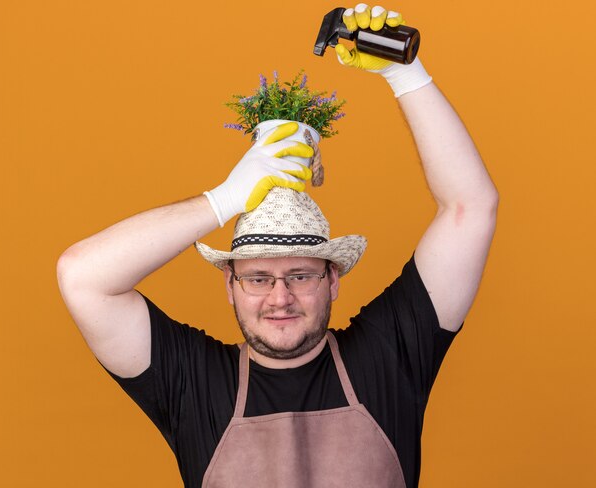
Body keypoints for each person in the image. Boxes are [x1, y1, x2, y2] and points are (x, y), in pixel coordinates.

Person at [57, 4, 498, 488]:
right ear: (230, 284)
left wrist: (405, 70)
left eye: (301, 275)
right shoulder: (194, 383)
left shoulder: (389, 357)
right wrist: (221, 200)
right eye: (258, 277)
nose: (279, 296)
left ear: (333, 279)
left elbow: (470, 208)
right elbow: (83, 277)